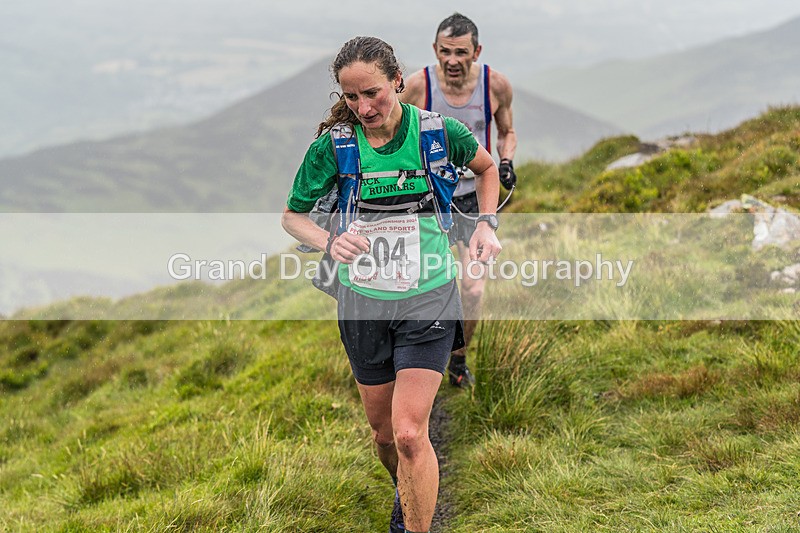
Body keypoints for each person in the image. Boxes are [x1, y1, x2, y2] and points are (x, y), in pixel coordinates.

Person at [282, 36, 501, 533]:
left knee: (407, 433)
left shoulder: (437, 132)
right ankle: (408, 494)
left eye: (374, 94)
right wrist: (327, 241)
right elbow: (292, 216)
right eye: (351, 97)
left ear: (398, 82)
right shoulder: (333, 147)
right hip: (362, 303)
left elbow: (486, 169)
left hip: (430, 296)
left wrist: (486, 223)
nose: (363, 107)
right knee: (383, 436)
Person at [401, 13, 517, 388]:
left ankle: (458, 359)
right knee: (419, 284)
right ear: (435, 50)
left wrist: (505, 161)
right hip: (428, 200)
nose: (452, 60)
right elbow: (391, 131)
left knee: (472, 287)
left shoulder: (495, 86)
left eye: (461, 53)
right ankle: (411, 360)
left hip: (472, 199)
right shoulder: (418, 87)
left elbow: (507, 131)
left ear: (476, 51)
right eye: (445, 52)